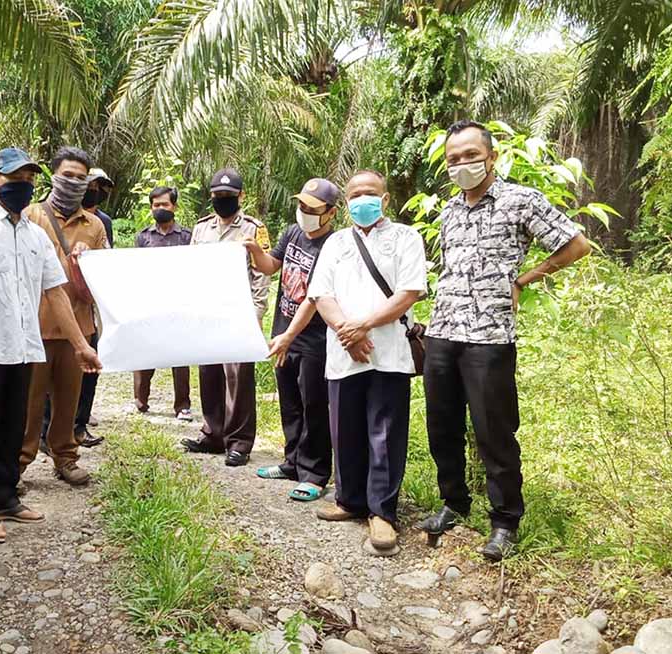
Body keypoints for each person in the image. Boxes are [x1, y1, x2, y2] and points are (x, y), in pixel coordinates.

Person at [417, 120, 591, 562]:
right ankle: (454, 503)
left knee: (494, 430)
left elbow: (576, 245)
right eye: (454, 158)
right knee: (442, 426)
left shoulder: (521, 200)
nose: (462, 164)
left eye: (471, 155)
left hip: (489, 336)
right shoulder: (449, 210)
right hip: (443, 330)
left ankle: (505, 521)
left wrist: (526, 278)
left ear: (491, 156)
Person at [0, 147, 101, 544]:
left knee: (14, 426)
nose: (24, 185)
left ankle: (6, 498)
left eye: (29, 179)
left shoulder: (36, 236)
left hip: (25, 349)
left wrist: (81, 345)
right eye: (15, 178)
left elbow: (56, 295)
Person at [308, 169, 427, 555]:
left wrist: (364, 327)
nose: (363, 199)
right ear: (345, 203)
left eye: (370, 193)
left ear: (386, 199)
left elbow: (410, 292)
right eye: (355, 194)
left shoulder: (405, 238)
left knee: (385, 432)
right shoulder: (336, 243)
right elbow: (321, 294)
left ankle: (382, 513)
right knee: (345, 428)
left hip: (388, 351)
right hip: (344, 353)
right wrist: (347, 331)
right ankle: (349, 500)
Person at [243, 178, 338, 502]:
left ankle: (316, 473)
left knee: (314, 405)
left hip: (314, 339)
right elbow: (271, 267)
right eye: (301, 206)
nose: (304, 212)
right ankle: (292, 462)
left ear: (331, 213)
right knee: (290, 403)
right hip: (284, 332)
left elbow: (315, 299)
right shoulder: (292, 232)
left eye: (312, 209)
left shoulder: (334, 246)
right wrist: (256, 250)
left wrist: (288, 336)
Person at [19, 146, 108, 486]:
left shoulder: (95, 225)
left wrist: (88, 263)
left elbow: (104, 280)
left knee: (69, 402)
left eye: (80, 177)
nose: (73, 182)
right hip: (37, 328)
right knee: (29, 403)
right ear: (54, 175)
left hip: (79, 330)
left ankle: (65, 458)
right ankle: (20, 461)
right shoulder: (29, 216)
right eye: (67, 175)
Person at [182, 168, 270, 466]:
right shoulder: (201, 228)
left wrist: (257, 314)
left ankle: (239, 442)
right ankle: (213, 433)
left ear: (240, 196)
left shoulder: (254, 228)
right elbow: (191, 269)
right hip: (208, 313)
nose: (223, 201)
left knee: (238, 379)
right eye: (218, 196)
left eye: (229, 196)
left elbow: (261, 275)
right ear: (211, 197)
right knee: (209, 374)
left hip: (239, 313)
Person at [133, 186, 193, 421]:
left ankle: (183, 405)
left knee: (180, 355)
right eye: (156, 205)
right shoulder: (144, 237)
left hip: (179, 303)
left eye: (165, 205)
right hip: (151, 302)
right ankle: (140, 400)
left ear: (174, 207)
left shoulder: (187, 236)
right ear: (151, 208)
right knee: (147, 351)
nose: (160, 209)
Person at [71, 167, 116, 447]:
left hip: (90, 306)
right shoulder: (57, 216)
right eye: (91, 185)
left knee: (90, 366)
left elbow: (107, 260)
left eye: (100, 186)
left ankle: (79, 423)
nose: (94, 190)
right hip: (60, 303)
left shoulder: (103, 223)